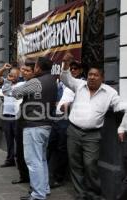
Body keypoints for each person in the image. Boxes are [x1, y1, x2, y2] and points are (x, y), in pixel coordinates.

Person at [60, 53, 127, 200]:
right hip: (74, 131)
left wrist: (122, 126)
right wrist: (65, 64)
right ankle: (80, 194)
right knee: (75, 163)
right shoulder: (79, 85)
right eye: (90, 74)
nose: (91, 77)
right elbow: (65, 78)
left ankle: (94, 193)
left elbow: (121, 106)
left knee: (90, 164)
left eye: (96, 75)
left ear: (102, 78)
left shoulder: (109, 93)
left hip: (93, 135)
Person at [3, 57, 57, 200]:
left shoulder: (36, 82)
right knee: (41, 159)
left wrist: (8, 80)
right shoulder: (52, 80)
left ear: (38, 68)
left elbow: (12, 93)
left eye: (34, 66)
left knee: (33, 161)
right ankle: (44, 189)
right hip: (46, 124)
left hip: (33, 125)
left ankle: (38, 194)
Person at [47, 61, 84, 189]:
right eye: (71, 68)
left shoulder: (81, 84)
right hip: (55, 117)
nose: (73, 70)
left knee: (62, 149)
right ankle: (45, 174)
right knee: (49, 145)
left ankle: (59, 178)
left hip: (66, 119)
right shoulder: (62, 83)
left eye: (76, 68)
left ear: (80, 71)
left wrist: (70, 104)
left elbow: (83, 99)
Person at [10, 61, 36, 184]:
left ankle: (34, 180)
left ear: (34, 71)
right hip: (19, 120)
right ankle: (23, 176)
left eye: (27, 70)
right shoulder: (21, 83)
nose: (24, 72)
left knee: (30, 154)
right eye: (23, 70)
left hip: (31, 122)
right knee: (19, 151)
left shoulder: (37, 83)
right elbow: (11, 92)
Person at [0, 63, 21, 168]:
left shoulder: (22, 85)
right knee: (9, 140)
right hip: (6, 116)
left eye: (15, 75)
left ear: (19, 76)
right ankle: (10, 159)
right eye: (11, 75)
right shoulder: (6, 83)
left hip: (17, 117)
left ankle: (19, 160)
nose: (12, 77)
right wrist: (4, 68)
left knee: (18, 140)